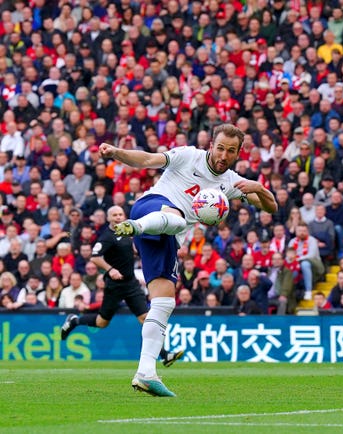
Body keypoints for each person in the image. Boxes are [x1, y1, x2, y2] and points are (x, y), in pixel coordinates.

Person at [100, 124, 276, 396]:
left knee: (164, 302)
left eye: (231, 151)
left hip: (169, 236)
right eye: (220, 148)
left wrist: (259, 188)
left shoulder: (231, 183)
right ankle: (136, 226)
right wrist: (115, 152)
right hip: (151, 208)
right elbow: (147, 159)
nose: (223, 155)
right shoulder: (187, 156)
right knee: (178, 218)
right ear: (211, 146)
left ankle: (146, 373)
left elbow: (271, 207)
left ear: (238, 153)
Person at [60, 206, 183, 367]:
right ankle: (75, 320)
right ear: (109, 218)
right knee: (101, 322)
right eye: (115, 215)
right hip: (115, 286)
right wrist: (111, 270)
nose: (118, 217)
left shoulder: (127, 232)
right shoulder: (107, 237)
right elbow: (95, 257)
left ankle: (164, 355)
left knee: (146, 318)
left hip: (131, 284)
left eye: (120, 214)